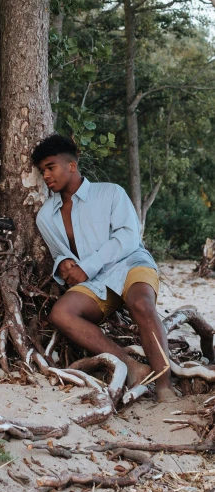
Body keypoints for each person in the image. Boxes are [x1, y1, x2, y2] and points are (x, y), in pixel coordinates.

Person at [33, 134, 176, 402]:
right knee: (62, 313)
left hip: (132, 262)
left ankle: (165, 385)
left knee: (142, 304)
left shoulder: (111, 193)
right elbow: (59, 253)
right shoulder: (45, 216)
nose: (46, 176)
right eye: (42, 171)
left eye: (51, 167)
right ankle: (132, 367)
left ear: (72, 166)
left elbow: (128, 237)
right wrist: (63, 264)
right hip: (96, 280)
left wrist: (87, 266)